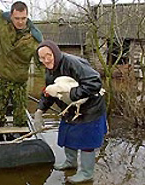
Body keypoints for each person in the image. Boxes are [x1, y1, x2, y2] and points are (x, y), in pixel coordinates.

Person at [34, 40, 107, 183]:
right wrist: (39, 111)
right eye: (42, 58)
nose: (46, 60)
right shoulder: (50, 71)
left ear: (55, 53)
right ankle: (70, 162)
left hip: (90, 108)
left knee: (87, 142)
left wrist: (73, 94)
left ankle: (87, 173)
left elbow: (95, 82)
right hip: (70, 110)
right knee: (68, 135)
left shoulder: (73, 63)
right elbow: (49, 93)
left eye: (48, 55)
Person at [0, 0, 43, 127]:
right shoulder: (0, 21)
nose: (20, 22)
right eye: (17, 18)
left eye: (23, 18)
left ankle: (18, 138)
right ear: (11, 16)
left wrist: (51, 84)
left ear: (27, 16)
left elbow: (41, 64)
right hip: (1, 77)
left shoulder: (35, 39)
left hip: (19, 81)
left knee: (20, 118)